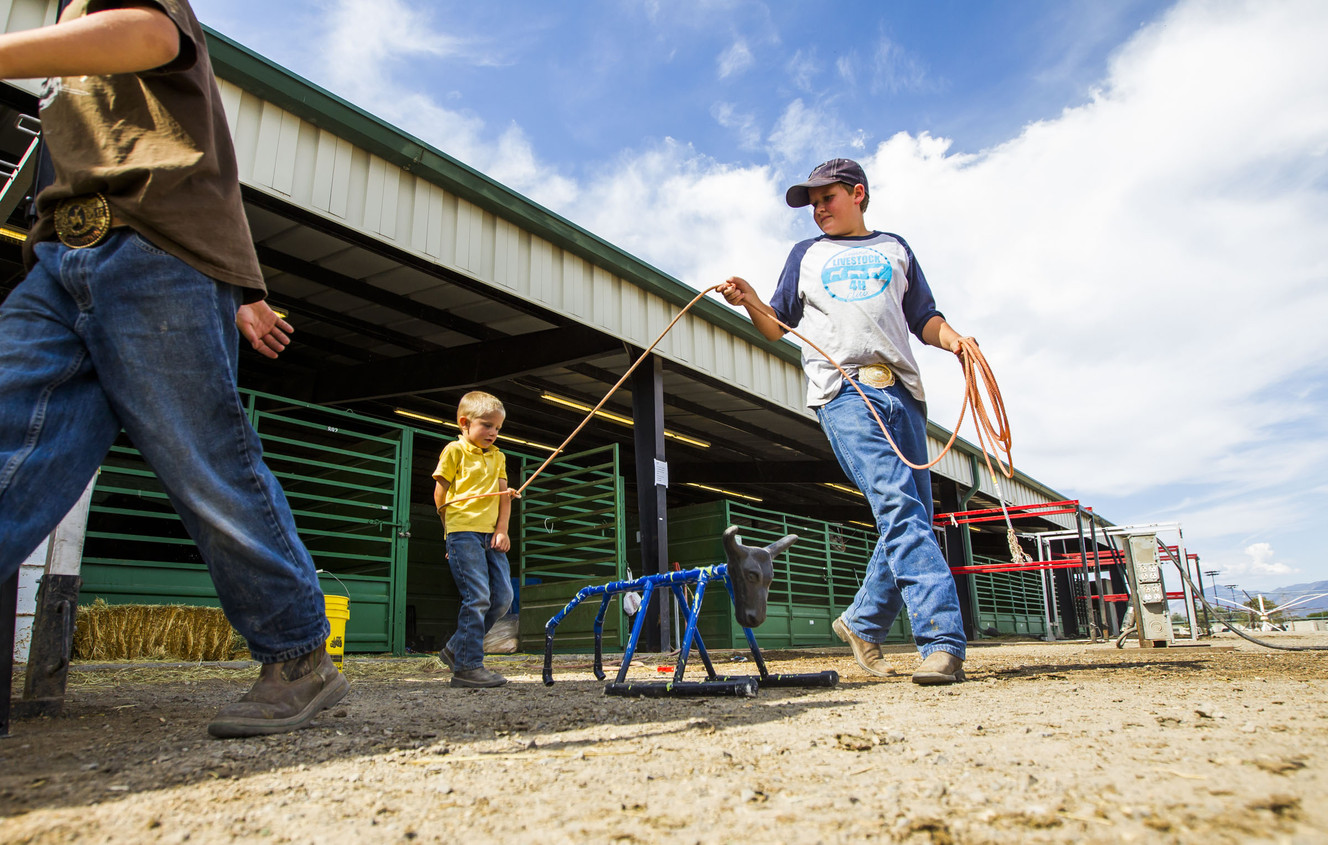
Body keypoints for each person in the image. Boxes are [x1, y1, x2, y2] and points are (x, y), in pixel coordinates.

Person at [0, 0, 349, 735]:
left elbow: (154, 36)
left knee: (203, 461)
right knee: (10, 441)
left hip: (152, 250)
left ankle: (297, 654)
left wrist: (235, 282)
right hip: (58, 258)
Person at [719, 158, 969, 685]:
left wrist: (955, 342)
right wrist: (749, 301)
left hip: (902, 393)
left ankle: (861, 622)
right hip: (844, 390)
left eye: (826, 198)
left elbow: (924, 316)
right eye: (812, 204)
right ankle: (942, 642)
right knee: (901, 508)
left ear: (857, 194)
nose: (818, 210)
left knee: (912, 516)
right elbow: (776, 326)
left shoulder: (895, 248)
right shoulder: (806, 255)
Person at [433, 391, 515, 688]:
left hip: (491, 534)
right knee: (478, 596)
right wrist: (450, 535)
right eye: (487, 425)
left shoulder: (499, 457)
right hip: (463, 531)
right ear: (465, 423)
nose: (493, 432)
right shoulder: (454, 451)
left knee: (503, 597)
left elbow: (505, 497)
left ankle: (456, 648)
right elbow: (440, 495)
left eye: (497, 428)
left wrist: (502, 529)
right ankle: (468, 667)